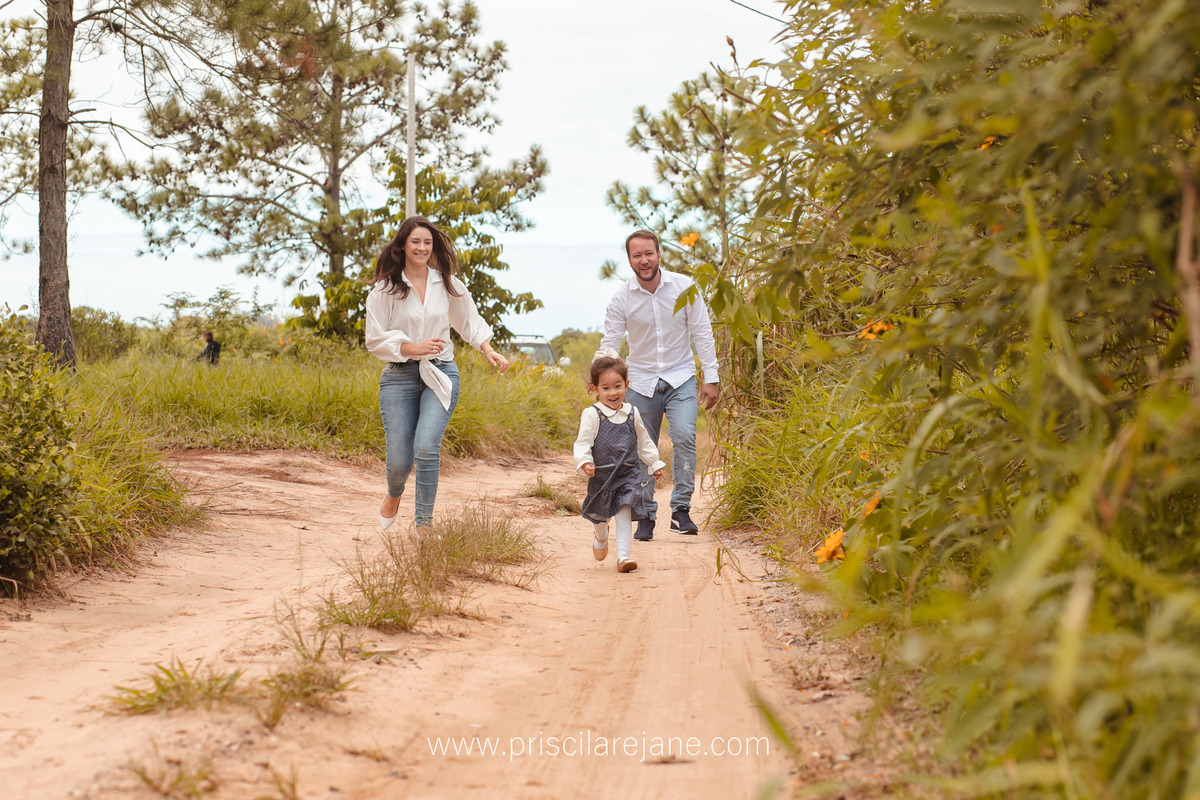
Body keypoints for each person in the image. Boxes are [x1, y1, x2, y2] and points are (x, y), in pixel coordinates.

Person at [365, 216, 510, 530]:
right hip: (399, 376)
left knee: (427, 447)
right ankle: (394, 493)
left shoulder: (447, 283)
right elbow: (374, 338)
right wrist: (412, 348)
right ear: (403, 245)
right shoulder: (386, 289)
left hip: (441, 373)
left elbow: (469, 321)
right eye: (415, 241)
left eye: (427, 242)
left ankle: (424, 526)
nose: (422, 248)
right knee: (399, 463)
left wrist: (488, 349)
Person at [598, 229, 719, 541]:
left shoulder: (684, 287)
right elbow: (611, 343)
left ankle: (681, 510)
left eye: (648, 253)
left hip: (681, 377)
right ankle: (646, 515)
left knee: (685, 437)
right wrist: (603, 385)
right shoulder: (621, 298)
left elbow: (702, 332)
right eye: (637, 255)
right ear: (629, 260)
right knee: (641, 448)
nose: (644, 260)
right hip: (640, 381)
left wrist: (711, 377)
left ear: (659, 254)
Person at [574, 355, 665, 573]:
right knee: (601, 518)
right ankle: (601, 536)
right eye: (605, 388)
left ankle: (623, 556)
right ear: (595, 389)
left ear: (627, 385)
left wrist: (654, 463)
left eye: (617, 386)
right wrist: (585, 462)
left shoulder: (632, 413)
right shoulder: (592, 414)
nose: (612, 393)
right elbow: (583, 442)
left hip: (627, 475)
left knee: (624, 510)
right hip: (602, 477)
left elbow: (643, 441)